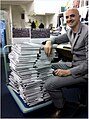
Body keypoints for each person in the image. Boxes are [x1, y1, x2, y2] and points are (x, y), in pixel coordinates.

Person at [44, 8, 88, 117]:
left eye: (72, 16)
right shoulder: (70, 32)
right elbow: (57, 39)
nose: (69, 19)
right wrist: (49, 41)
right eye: (67, 17)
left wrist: (67, 72)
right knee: (50, 66)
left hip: (84, 71)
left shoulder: (87, 32)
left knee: (49, 85)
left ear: (79, 17)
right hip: (74, 64)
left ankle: (60, 107)